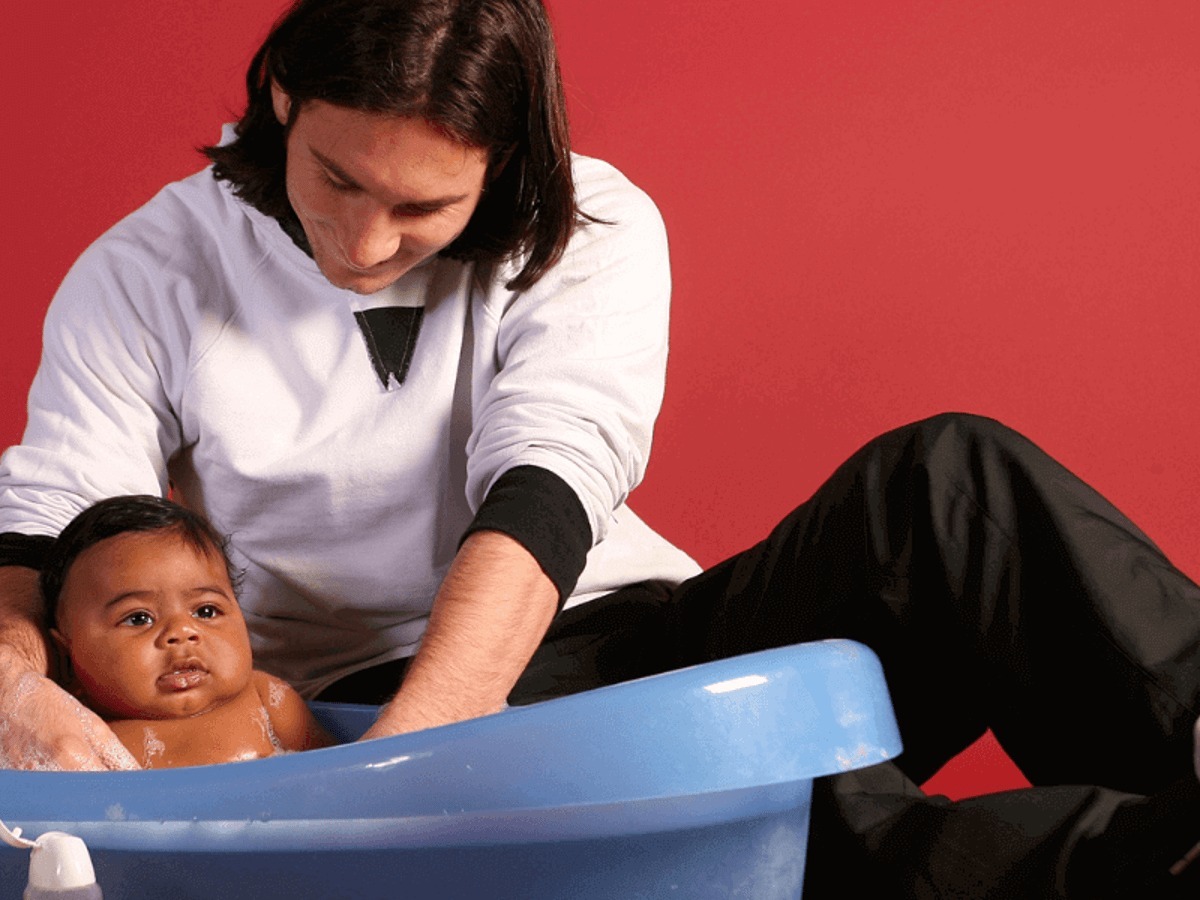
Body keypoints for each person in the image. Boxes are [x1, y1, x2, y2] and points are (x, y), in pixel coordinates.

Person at [0, 0, 1197, 895]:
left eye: (423, 210)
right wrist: (15, 687)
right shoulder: (147, 268)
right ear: (281, 103)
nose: (365, 240)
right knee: (801, 827)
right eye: (337, 179)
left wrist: (417, 779)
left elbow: (548, 483)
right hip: (356, 708)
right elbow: (58, 527)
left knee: (952, 481)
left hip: (601, 632)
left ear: (503, 167)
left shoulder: (597, 219)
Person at [42, 495, 334, 768]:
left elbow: (334, 780)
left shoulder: (269, 701)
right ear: (66, 657)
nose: (182, 631)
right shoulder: (71, 734)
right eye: (139, 618)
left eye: (206, 611)